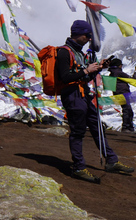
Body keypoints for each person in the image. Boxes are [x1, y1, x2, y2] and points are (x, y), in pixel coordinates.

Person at [56, 20, 133, 183]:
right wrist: (86, 70)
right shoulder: (64, 52)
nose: (89, 39)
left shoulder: (79, 53)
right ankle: (78, 167)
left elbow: (85, 76)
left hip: (84, 95)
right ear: (78, 34)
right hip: (72, 96)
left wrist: (98, 68)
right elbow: (65, 77)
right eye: (87, 35)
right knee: (78, 131)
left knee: (97, 126)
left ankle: (111, 160)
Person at [107, 58, 134, 132]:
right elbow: (132, 79)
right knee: (127, 110)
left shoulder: (112, 73)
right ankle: (126, 127)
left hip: (117, 93)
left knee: (127, 110)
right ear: (119, 66)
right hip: (123, 93)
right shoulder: (119, 73)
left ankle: (129, 127)